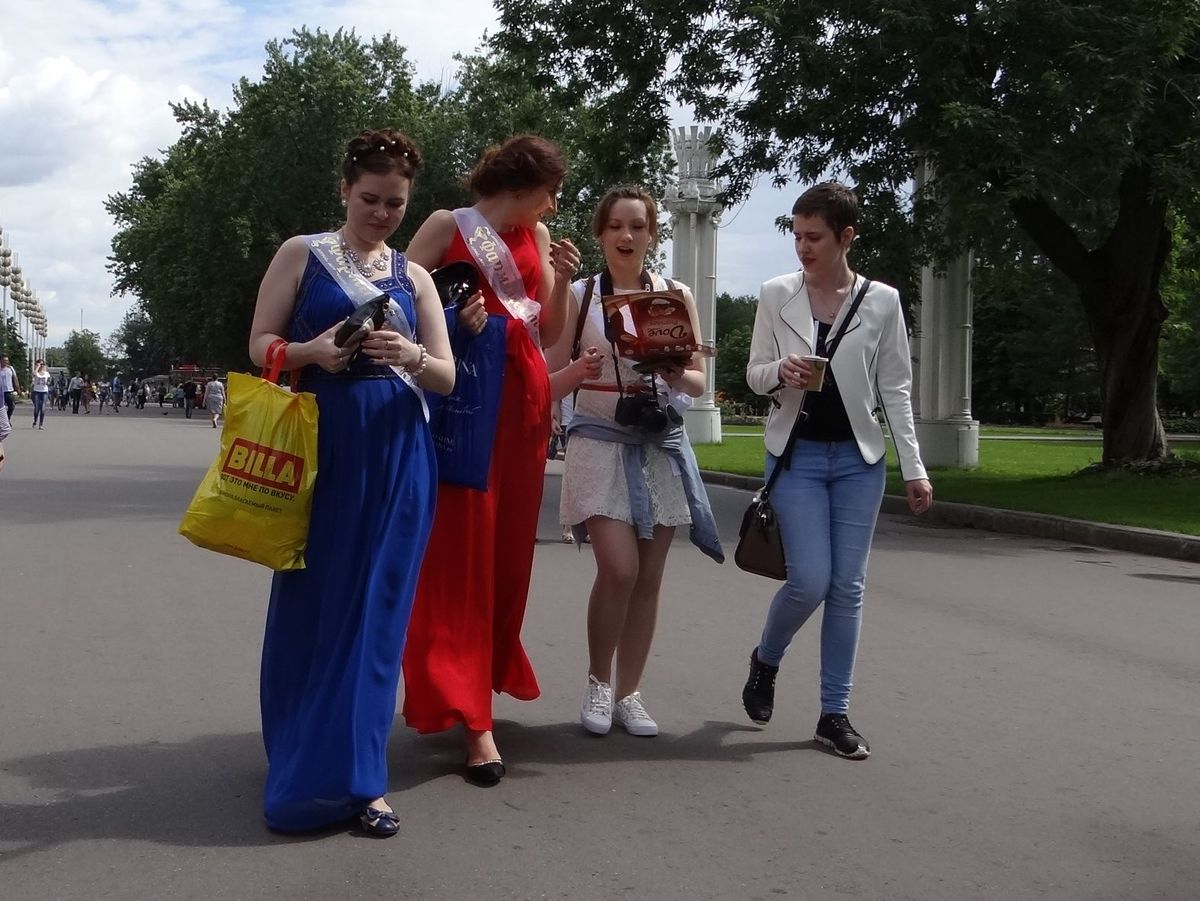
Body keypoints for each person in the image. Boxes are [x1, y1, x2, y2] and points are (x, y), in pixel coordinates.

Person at [248, 127, 453, 837]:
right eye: (370, 199)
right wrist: (312, 352)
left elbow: (447, 375)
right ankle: (298, 751)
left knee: (376, 617)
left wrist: (410, 354)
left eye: (395, 203)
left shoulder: (415, 277)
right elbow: (259, 342)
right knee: (314, 604)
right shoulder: (301, 254)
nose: (382, 214)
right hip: (323, 448)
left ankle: (364, 780)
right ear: (344, 189)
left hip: (399, 454)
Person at [401, 134, 580, 785]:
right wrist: (453, 318)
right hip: (466, 401)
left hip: (523, 403)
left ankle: (482, 676)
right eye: (549, 192)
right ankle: (472, 714)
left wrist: (563, 278)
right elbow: (394, 302)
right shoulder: (447, 225)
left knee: (506, 554)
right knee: (461, 552)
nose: (552, 205)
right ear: (522, 186)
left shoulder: (537, 238)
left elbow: (551, 331)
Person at [741, 182, 933, 759]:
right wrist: (781, 370)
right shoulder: (777, 293)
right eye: (797, 235)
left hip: (858, 461)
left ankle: (834, 714)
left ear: (845, 236)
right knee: (810, 581)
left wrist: (915, 468)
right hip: (796, 456)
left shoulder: (882, 300)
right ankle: (766, 659)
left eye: (815, 237)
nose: (803, 247)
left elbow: (895, 388)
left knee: (848, 587)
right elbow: (754, 373)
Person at [547, 185, 723, 738]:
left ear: (652, 234)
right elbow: (549, 372)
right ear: (601, 234)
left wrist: (671, 369)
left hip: (657, 442)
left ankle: (629, 693)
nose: (627, 236)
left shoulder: (674, 295)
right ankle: (599, 682)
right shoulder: (580, 295)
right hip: (598, 439)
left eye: (638, 226)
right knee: (619, 568)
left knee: (648, 577)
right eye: (616, 226)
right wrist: (582, 368)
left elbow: (697, 381)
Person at [30, 359, 49, 429]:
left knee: (43, 408)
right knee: (37, 408)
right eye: (40, 364)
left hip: (44, 391)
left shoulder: (46, 373)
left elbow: (49, 381)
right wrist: (37, 367)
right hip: (36, 391)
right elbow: (34, 374)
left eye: (43, 364)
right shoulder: (36, 373)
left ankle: (41, 424)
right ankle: (35, 420)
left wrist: (48, 383)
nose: (42, 366)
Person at [0, 355, 19, 420]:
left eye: (7, 360)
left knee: (11, 406)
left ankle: (7, 419)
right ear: (1, 361)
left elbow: (15, 378)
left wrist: (17, 388)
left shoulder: (10, 368)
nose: (6, 362)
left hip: (9, 391)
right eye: (4, 360)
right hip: (1, 392)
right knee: (1, 408)